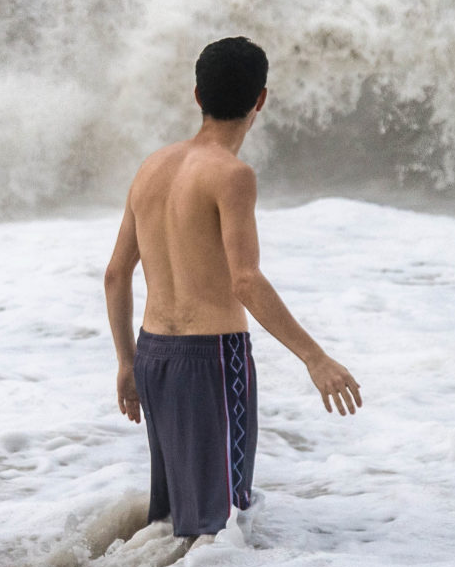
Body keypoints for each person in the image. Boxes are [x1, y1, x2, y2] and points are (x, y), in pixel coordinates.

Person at [103, 36, 362, 540]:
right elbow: (245, 279)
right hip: (212, 362)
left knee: (175, 519)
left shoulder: (151, 168)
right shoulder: (232, 175)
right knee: (217, 529)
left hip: (154, 355)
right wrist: (315, 358)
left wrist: (127, 361)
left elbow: (116, 274)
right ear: (260, 100)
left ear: (197, 96)